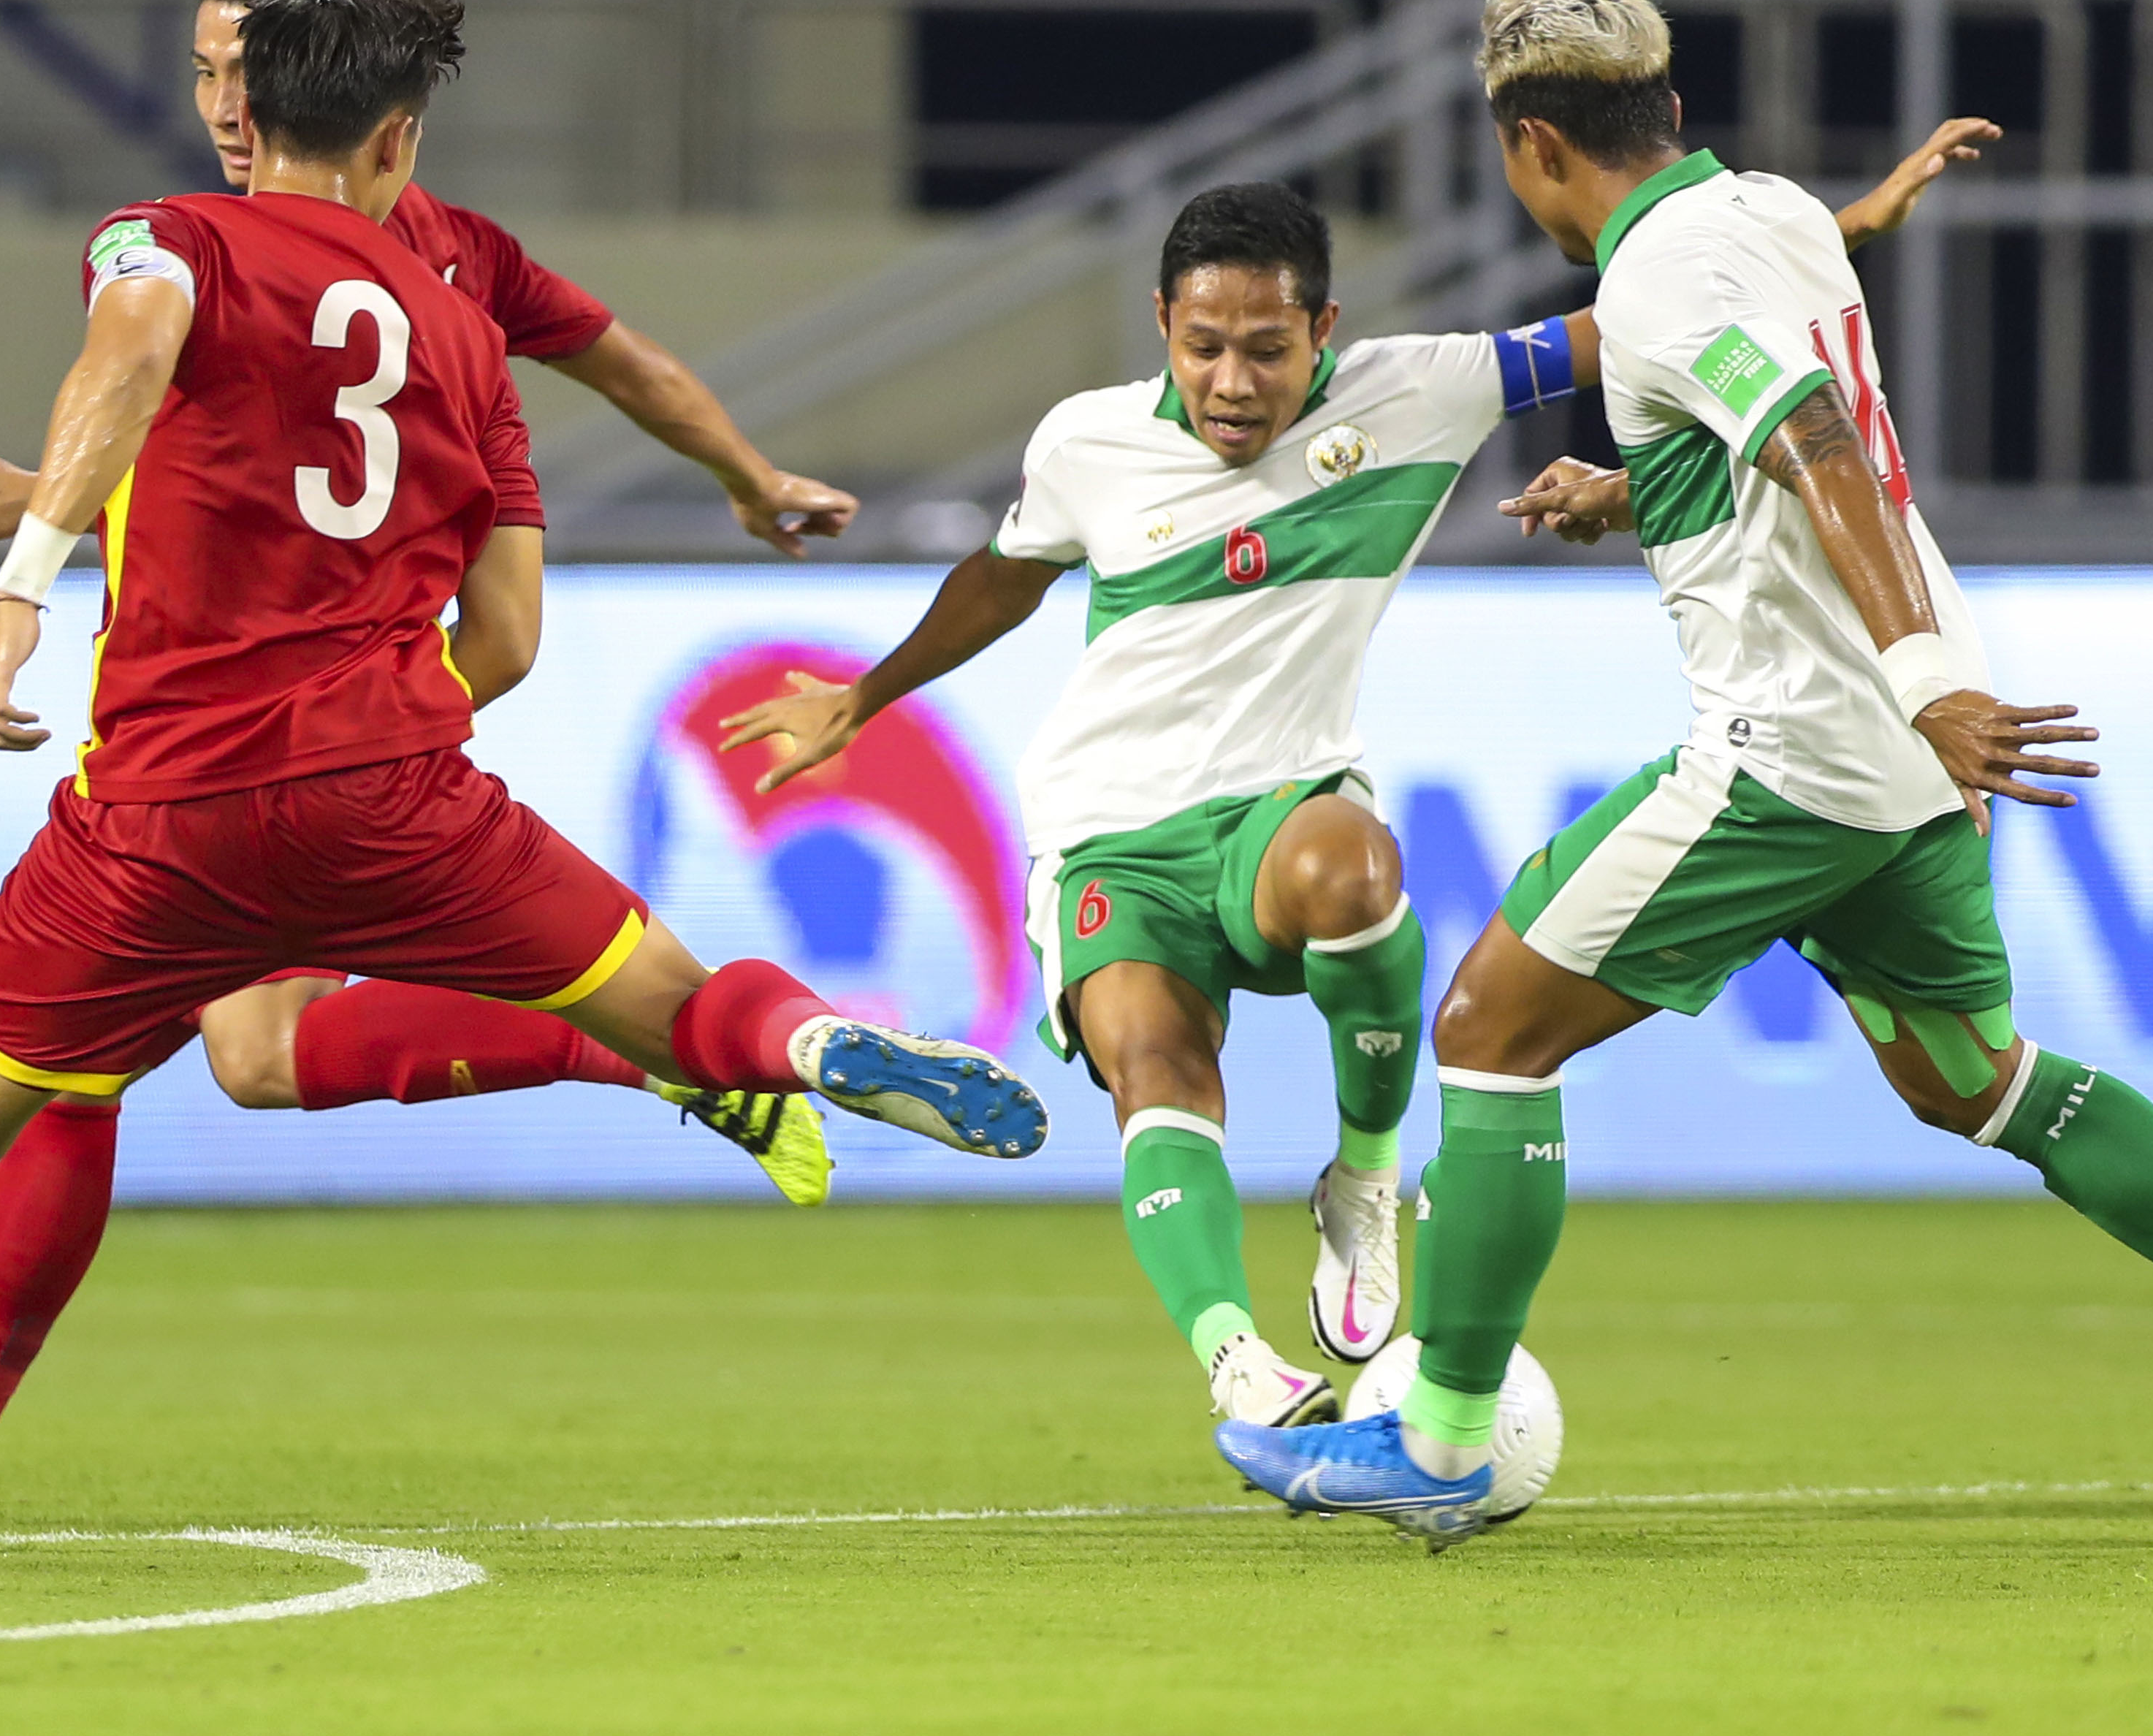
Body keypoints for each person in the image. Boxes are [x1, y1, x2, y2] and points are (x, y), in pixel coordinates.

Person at [0, 0, 1045, 1556]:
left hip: (160, 817)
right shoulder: (461, 321)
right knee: (672, 1006)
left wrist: (24, 573)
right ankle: (814, 1046)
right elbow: (498, 620)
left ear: (259, 100)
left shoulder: (165, 238)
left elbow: (130, 365)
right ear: (396, 139)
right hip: (399, 789)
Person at [1215, 0, 2153, 1540]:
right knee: (1969, 1082)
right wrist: (1641, 479)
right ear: (1672, 114)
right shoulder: (1772, 212)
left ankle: (1438, 1439)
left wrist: (1917, 680)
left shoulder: (1660, 286)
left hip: (1800, 750)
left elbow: (1813, 443)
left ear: (1530, 146)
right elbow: (1764, 420)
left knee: (1490, 1025)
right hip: (1906, 763)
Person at [719, 124, 1993, 1442]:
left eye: (1268, 349)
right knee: (1158, 1062)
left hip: (1279, 805)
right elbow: (1001, 578)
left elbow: (1643, 318)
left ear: (1323, 328)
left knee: (1357, 868)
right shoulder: (1085, 445)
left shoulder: (1415, 390)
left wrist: (1823, 236)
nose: (1231, 381)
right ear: (1162, 320)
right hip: (1105, 827)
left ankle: (1365, 1178)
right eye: (1202, 345)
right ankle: (1235, 1360)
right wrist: (864, 697)